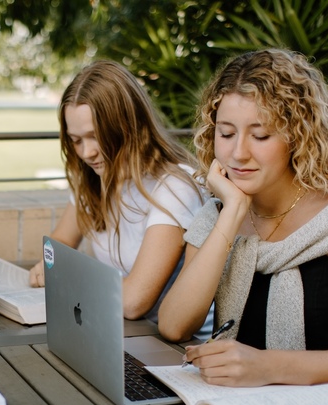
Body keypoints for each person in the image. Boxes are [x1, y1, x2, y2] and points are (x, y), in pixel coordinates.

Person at [157, 49, 328, 405]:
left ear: (299, 134)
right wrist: (233, 213)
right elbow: (174, 325)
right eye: (225, 133)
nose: (238, 152)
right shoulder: (220, 212)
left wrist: (269, 367)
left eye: (260, 135)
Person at [28, 60, 204, 321]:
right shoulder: (93, 177)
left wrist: (65, 275)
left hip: (168, 347)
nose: (87, 153)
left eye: (96, 136)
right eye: (76, 140)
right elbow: (61, 242)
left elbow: (134, 302)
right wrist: (48, 264)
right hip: (113, 327)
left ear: (128, 125)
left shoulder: (175, 187)